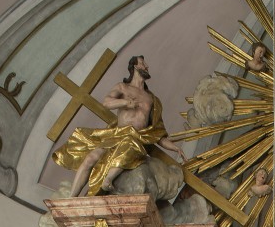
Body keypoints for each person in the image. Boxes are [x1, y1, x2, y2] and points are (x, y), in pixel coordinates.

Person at [53, 54, 187, 196]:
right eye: (143, 63)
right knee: (91, 158)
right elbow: (106, 102)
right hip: (117, 134)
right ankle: (71, 199)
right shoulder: (122, 88)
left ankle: (108, 179)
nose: (146, 66)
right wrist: (126, 103)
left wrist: (175, 148)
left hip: (135, 137)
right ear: (134, 66)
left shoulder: (152, 99)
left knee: (130, 145)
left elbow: (157, 133)